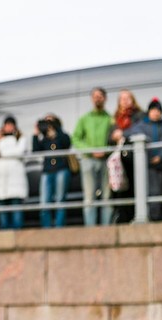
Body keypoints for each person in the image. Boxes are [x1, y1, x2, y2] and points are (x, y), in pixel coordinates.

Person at [124, 98, 162, 221]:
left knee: (157, 192)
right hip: (143, 166)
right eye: (153, 110)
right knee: (144, 191)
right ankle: (146, 216)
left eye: (158, 111)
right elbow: (128, 134)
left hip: (159, 166)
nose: (155, 113)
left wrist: (160, 157)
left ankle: (155, 217)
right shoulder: (141, 125)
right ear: (149, 111)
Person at [72, 87, 113, 226]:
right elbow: (76, 138)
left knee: (107, 196)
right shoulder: (84, 119)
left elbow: (114, 139)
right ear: (91, 99)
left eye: (100, 96)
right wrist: (90, 151)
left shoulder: (110, 119)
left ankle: (106, 228)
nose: (97, 98)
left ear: (105, 98)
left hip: (106, 160)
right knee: (89, 196)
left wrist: (106, 150)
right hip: (88, 160)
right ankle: (91, 229)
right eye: (95, 96)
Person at [108, 89, 145, 223]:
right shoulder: (115, 119)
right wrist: (113, 136)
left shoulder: (140, 115)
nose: (124, 100)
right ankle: (123, 218)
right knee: (121, 190)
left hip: (134, 159)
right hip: (120, 162)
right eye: (121, 98)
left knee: (135, 187)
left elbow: (141, 129)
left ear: (133, 100)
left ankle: (136, 215)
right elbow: (108, 139)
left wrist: (123, 134)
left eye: (127, 98)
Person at [0, 115, 28, 229]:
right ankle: (5, 231)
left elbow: (19, 152)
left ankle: (18, 231)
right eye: (7, 124)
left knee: (16, 208)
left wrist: (2, 153)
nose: (8, 127)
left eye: (11, 124)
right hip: (0, 181)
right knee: (2, 210)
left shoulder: (20, 138)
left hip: (15, 180)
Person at [32, 114, 72, 228]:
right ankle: (46, 229)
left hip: (61, 170)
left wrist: (57, 131)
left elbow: (67, 143)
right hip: (47, 171)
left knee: (60, 201)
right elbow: (35, 150)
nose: (48, 124)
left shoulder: (62, 135)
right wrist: (36, 133)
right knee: (45, 202)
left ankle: (59, 228)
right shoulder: (44, 139)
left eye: (51, 121)